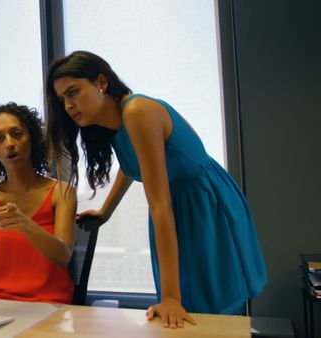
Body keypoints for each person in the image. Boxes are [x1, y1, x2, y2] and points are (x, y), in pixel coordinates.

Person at [45, 51, 267, 327]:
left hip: (202, 203)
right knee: (185, 315)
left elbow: (159, 204)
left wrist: (172, 297)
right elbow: (131, 164)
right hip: (174, 208)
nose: (68, 105)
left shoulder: (137, 111)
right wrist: (106, 210)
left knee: (211, 312)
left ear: (101, 82)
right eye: (62, 99)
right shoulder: (112, 123)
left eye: (73, 92)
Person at [0, 102, 77, 303]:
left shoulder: (62, 192)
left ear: (32, 138)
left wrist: (26, 225)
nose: (9, 143)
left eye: (17, 134)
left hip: (50, 304)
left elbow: (63, 256)